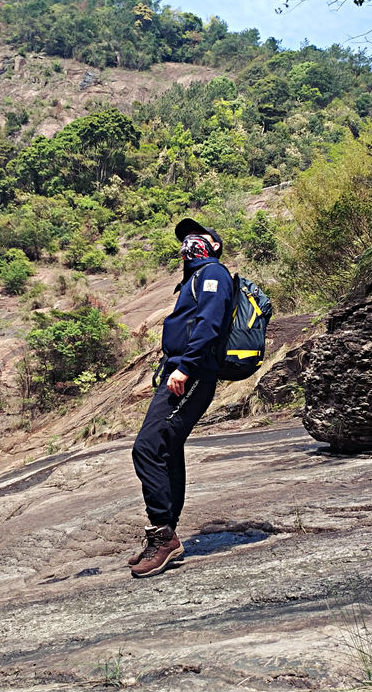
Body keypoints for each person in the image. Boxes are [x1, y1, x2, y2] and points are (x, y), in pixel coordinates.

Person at [129, 217, 234, 578]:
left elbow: (209, 324)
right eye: (185, 238)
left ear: (215, 245)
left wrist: (186, 366)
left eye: (198, 236)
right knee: (166, 450)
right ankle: (167, 535)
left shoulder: (212, 274)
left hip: (193, 373)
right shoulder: (193, 279)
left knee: (146, 447)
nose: (190, 241)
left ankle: (163, 534)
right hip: (183, 371)